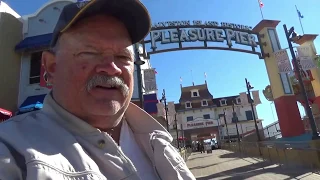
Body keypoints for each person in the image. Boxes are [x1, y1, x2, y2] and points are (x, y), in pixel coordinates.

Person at [0, 0, 195, 179]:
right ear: (51, 67)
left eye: (123, 57)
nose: (111, 68)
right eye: (89, 52)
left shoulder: (157, 141)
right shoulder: (12, 152)